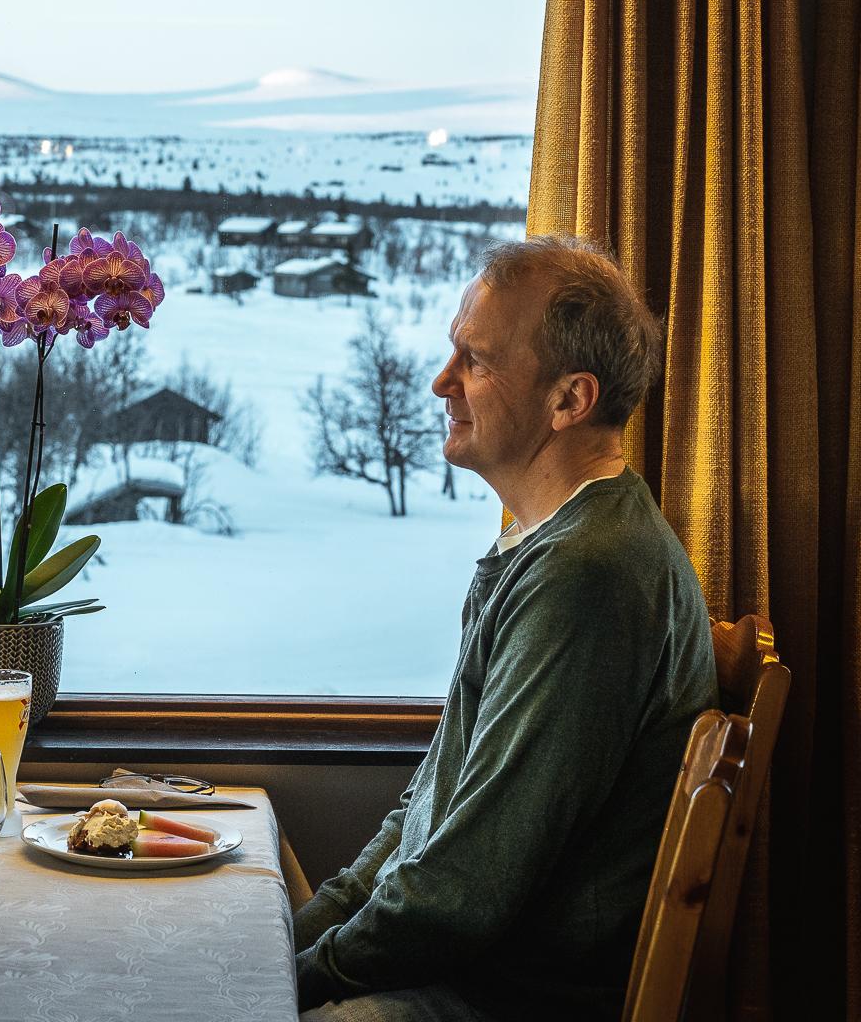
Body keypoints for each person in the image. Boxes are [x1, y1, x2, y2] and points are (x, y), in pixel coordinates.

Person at [294, 237, 716, 1021]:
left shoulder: (587, 574)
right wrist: (294, 942)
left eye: (475, 361)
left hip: (505, 999)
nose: (440, 382)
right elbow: (428, 812)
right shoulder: (548, 545)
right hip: (468, 974)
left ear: (568, 401)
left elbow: (465, 889)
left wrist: (289, 984)